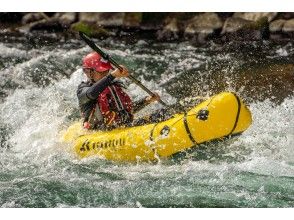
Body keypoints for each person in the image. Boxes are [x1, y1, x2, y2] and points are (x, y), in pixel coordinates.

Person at [77, 52, 161, 130]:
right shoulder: (83, 90)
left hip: (122, 127)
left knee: (161, 114)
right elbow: (91, 93)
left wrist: (146, 101)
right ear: (89, 72)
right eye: (101, 71)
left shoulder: (113, 86)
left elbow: (126, 111)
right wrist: (112, 75)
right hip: (101, 133)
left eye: (106, 70)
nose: (105, 73)